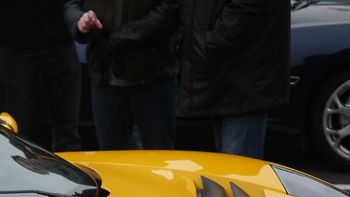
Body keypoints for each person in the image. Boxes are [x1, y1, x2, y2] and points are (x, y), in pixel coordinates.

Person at [104, 0, 290, 158]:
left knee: (238, 175)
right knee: (229, 170)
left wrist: (208, 43)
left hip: (242, 79)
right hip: (224, 75)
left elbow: (248, 8)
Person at [64, 1, 177, 151]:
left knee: (160, 155)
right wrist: (80, 20)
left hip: (152, 76)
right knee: (111, 156)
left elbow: (169, 11)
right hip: (105, 76)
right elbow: (71, 4)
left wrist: (114, 41)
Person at [0, 0, 81, 152]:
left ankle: (69, 167)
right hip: (15, 45)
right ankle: (20, 163)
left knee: (68, 131)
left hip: (60, 42)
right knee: (16, 128)